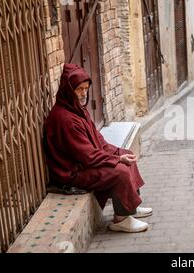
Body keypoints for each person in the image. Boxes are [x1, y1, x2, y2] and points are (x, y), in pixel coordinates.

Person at [44, 63, 152, 233]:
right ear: (68, 89)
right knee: (120, 171)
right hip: (73, 173)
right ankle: (121, 219)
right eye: (79, 89)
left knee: (127, 154)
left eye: (86, 88)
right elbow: (86, 156)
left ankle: (131, 205)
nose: (84, 93)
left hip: (86, 162)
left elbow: (99, 141)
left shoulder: (77, 110)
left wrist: (117, 153)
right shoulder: (65, 119)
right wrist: (116, 160)